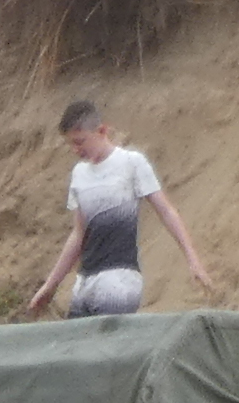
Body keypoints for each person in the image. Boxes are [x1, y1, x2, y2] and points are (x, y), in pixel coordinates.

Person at [24, 99, 219, 318]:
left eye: (80, 142)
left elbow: (166, 211)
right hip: (85, 281)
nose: (75, 150)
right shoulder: (79, 174)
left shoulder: (131, 162)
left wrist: (193, 262)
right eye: (71, 144)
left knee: (105, 348)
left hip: (119, 277)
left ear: (102, 130)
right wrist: (50, 286)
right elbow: (78, 234)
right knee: (77, 349)